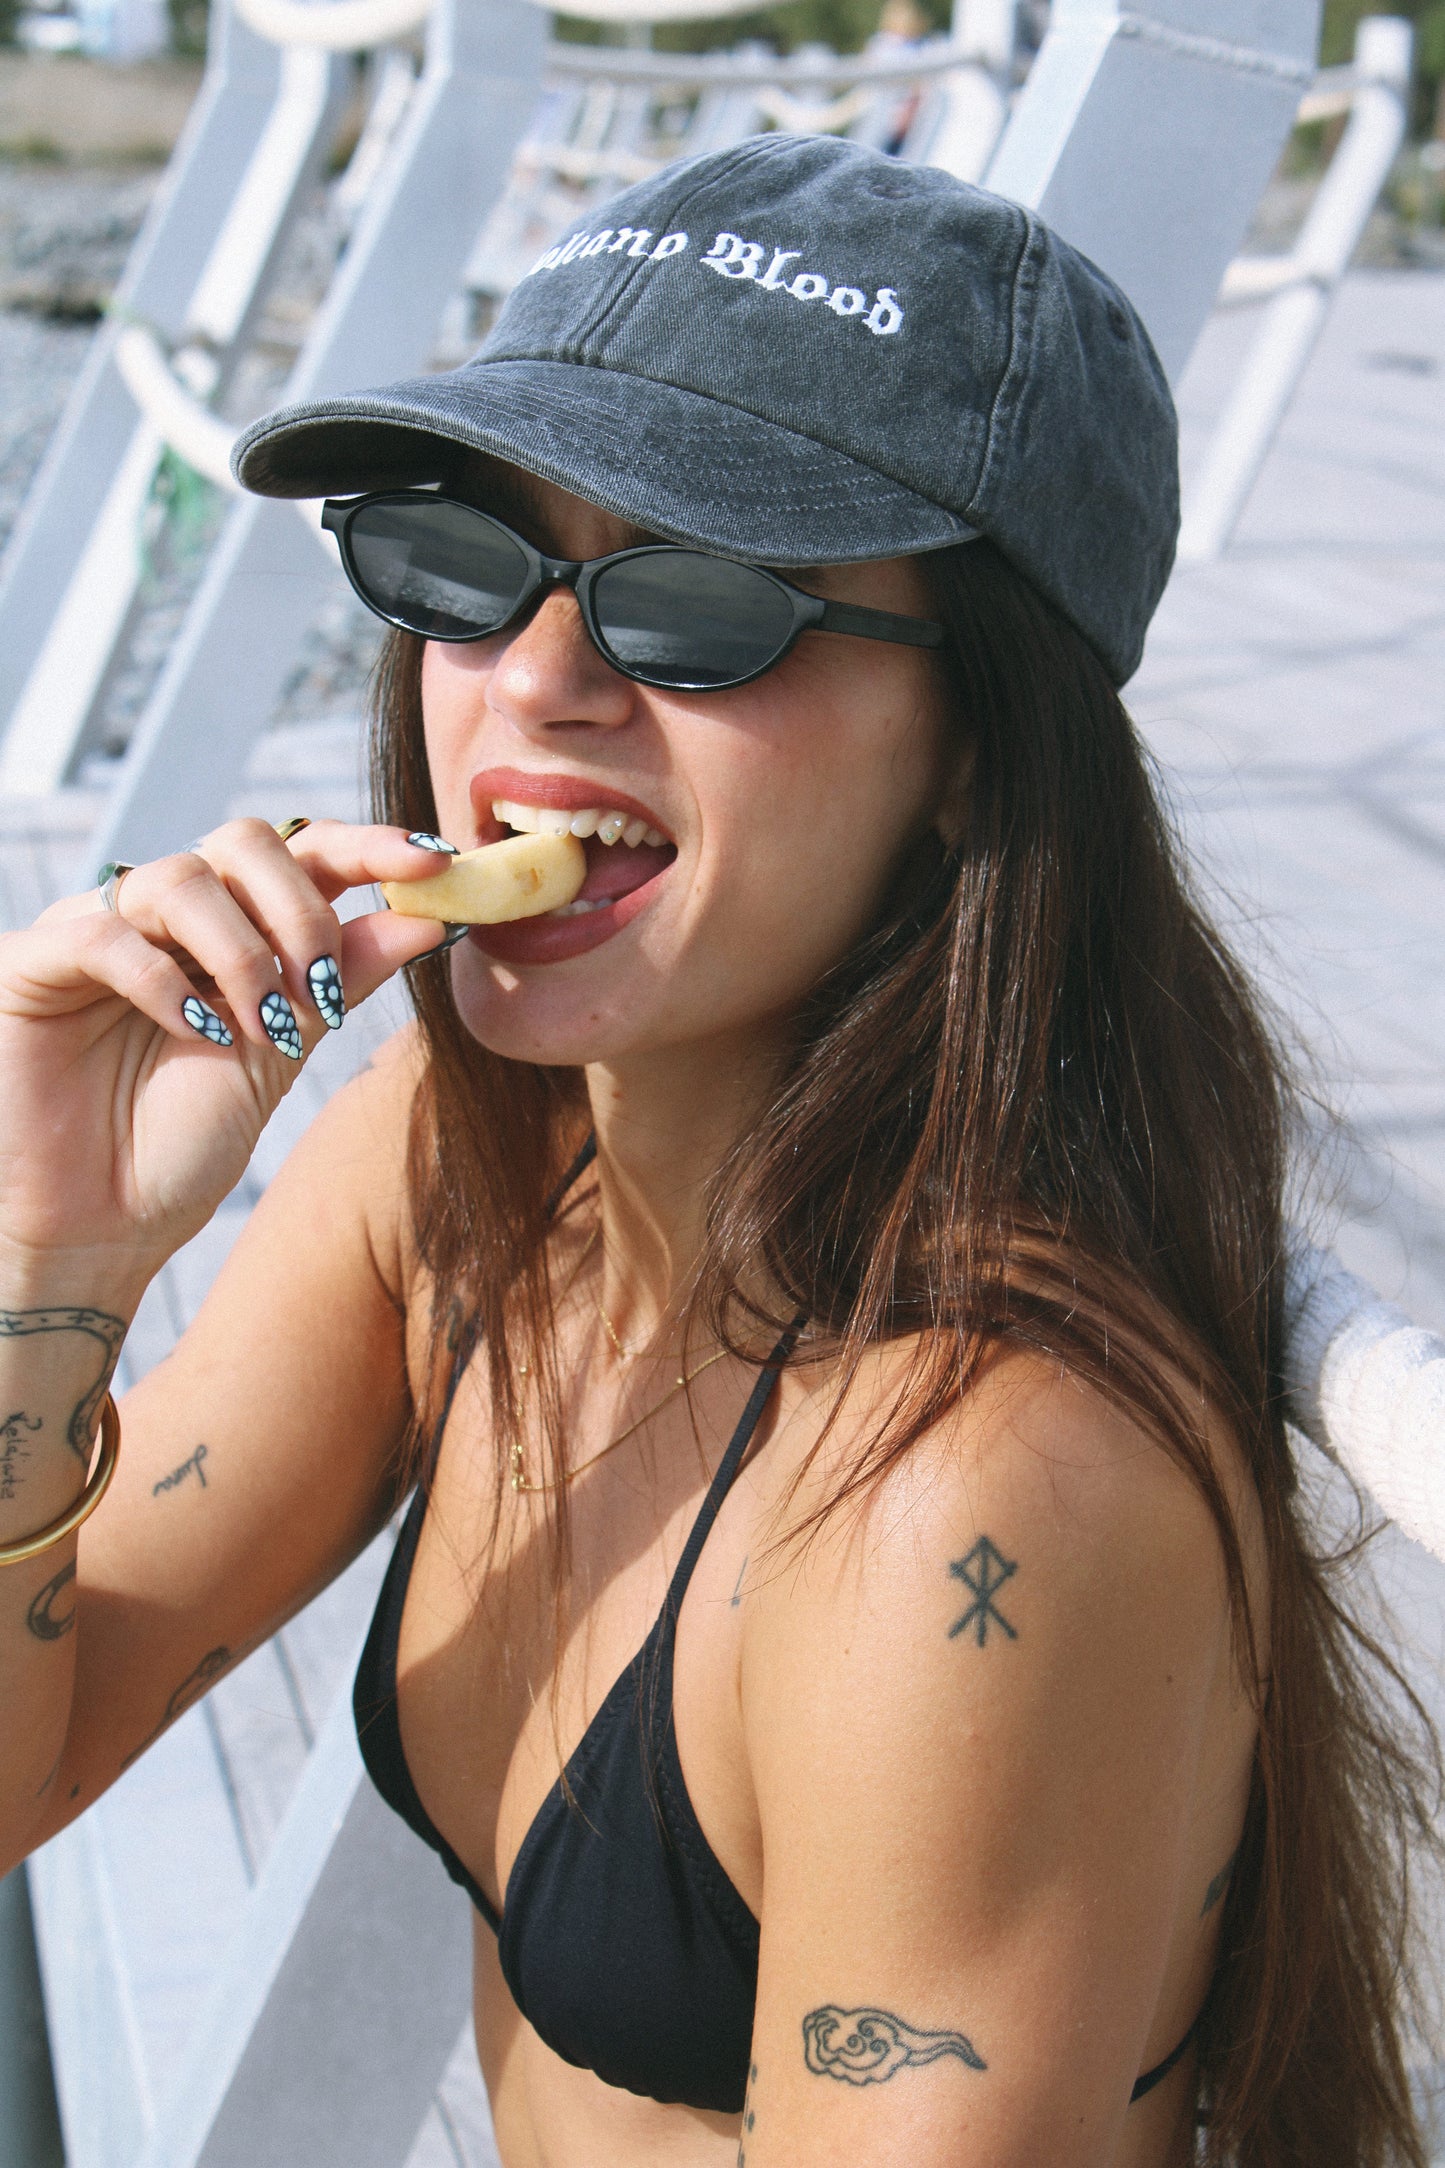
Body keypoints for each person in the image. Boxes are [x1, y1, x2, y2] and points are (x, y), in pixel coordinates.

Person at [0, 135, 1438, 2168]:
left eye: (698, 602)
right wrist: (48, 1263)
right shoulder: (462, 1166)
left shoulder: (962, 1506)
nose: (540, 681)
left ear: (974, 759)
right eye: (466, 561)